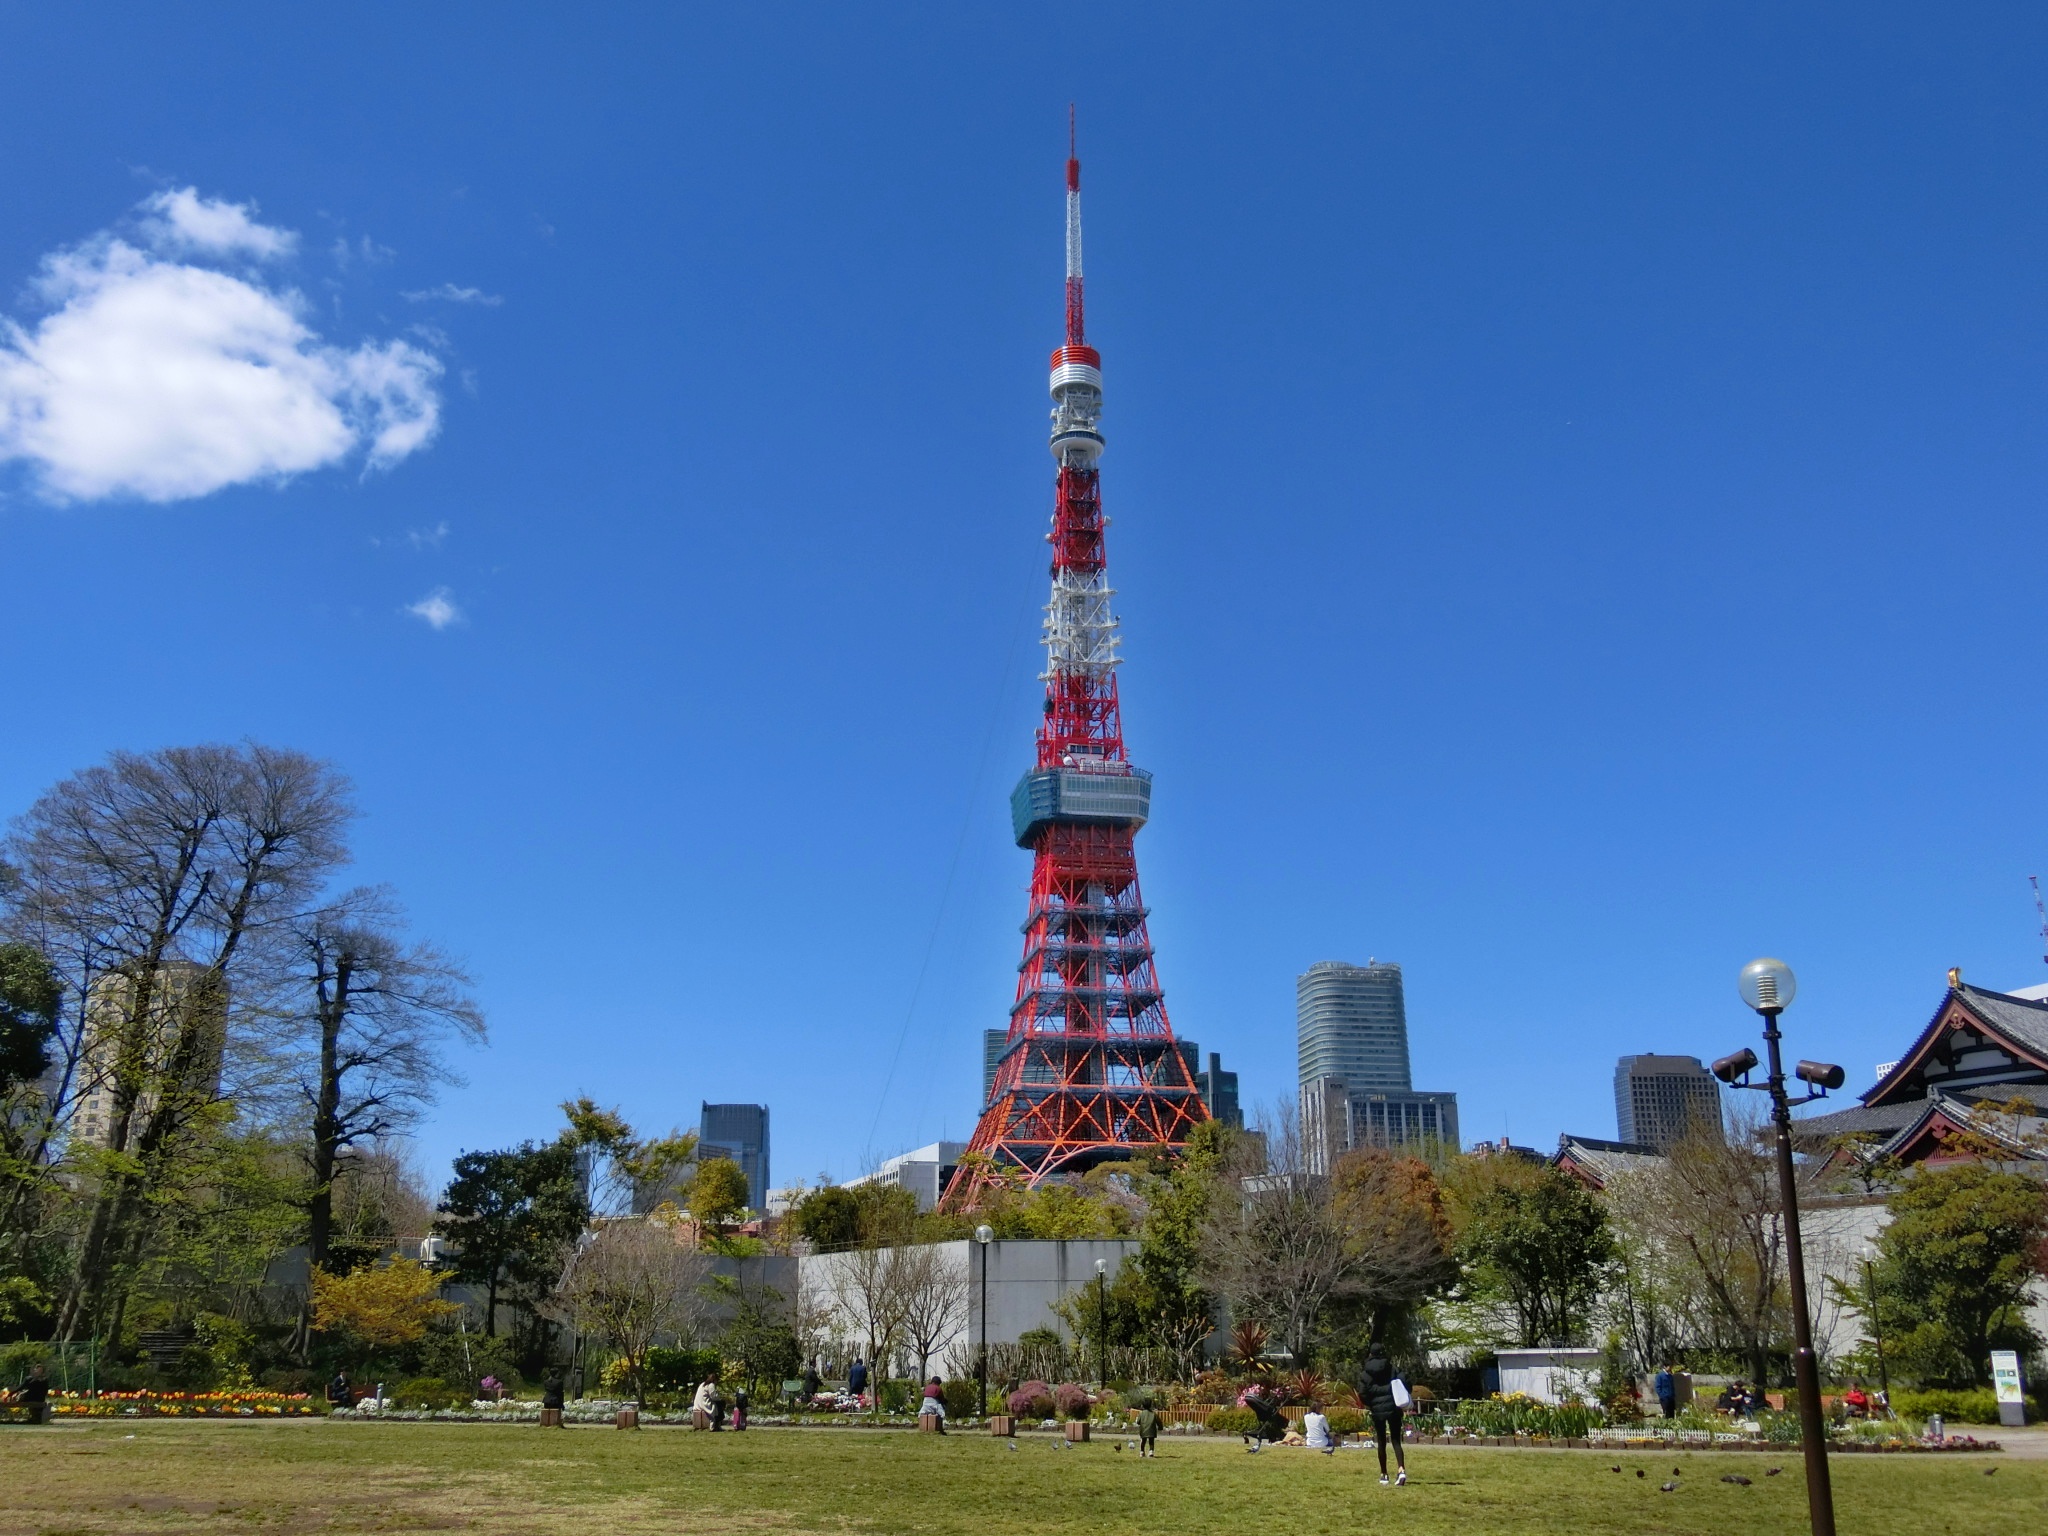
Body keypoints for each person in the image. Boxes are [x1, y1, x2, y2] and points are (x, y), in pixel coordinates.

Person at [1358, 1343, 1407, 1486]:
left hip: (1377, 1409)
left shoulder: (1366, 1373)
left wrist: (1371, 1404)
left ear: (1371, 1354)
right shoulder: (1392, 1368)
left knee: (1381, 1441)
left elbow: (1362, 1392)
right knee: (1396, 1440)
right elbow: (1405, 1382)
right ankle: (1401, 1469)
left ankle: (1384, 1474)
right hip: (1393, 1406)